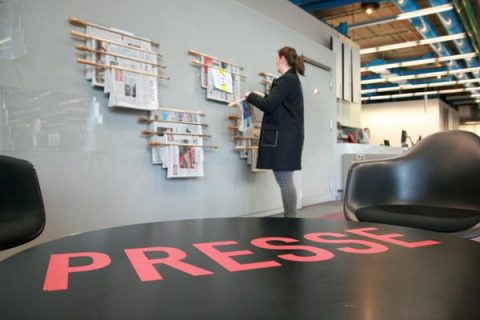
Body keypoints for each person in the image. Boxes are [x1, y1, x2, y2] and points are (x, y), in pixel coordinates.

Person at [245, 46, 305, 218]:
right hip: (289, 137)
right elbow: (276, 102)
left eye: (276, 59)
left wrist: (251, 96)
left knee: (284, 180)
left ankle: (290, 219)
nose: (275, 62)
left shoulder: (287, 80)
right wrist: (261, 96)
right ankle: (290, 217)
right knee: (285, 180)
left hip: (285, 139)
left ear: (282, 59)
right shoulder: (291, 80)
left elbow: (269, 105)